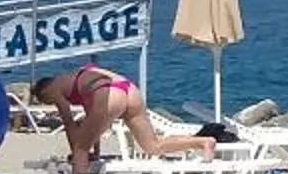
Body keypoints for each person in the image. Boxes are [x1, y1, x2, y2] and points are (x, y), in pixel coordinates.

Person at [31, 62, 183, 167]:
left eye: (47, 101)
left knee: (80, 149)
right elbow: (94, 121)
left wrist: (77, 152)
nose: (51, 102)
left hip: (109, 92)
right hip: (129, 90)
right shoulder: (80, 79)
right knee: (152, 146)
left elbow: (69, 124)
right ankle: (202, 142)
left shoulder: (52, 88)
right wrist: (96, 154)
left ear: (44, 92)